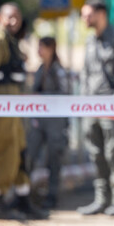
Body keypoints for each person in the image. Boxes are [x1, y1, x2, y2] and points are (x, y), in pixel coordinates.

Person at [0, 2, 45, 220]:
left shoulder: (10, 40)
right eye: (9, 17)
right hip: (1, 102)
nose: (14, 21)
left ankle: (23, 197)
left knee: (19, 148)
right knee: (5, 148)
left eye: (17, 17)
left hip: (12, 101)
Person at [79, 0, 114, 216]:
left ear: (101, 14)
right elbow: (85, 73)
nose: (85, 19)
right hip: (91, 106)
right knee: (96, 153)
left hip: (111, 106)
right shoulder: (90, 41)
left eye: (88, 15)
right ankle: (101, 199)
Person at [25, 37, 70, 210]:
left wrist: (44, 97)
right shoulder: (40, 69)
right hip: (39, 119)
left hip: (55, 121)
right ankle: (25, 193)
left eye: (42, 47)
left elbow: (64, 93)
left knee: (54, 159)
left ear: (51, 49)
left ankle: (52, 195)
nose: (39, 51)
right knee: (30, 154)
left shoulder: (58, 70)